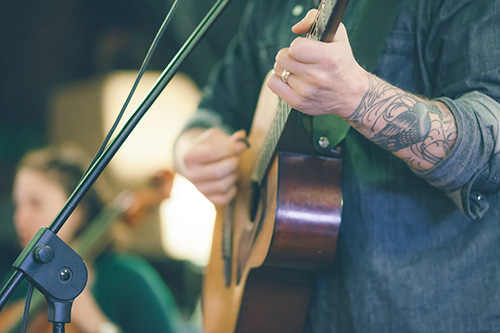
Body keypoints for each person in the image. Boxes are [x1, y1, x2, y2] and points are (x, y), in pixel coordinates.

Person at [173, 0, 500, 331]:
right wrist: (192, 152)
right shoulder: (268, 7)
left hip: (423, 312)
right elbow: (214, 111)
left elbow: (492, 150)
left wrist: (358, 97)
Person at [7, 144, 181, 332]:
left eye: (36, 203)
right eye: (18, 204)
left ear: (78, 210)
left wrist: (96, 323)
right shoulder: (20, 282)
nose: (20, 218)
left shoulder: (131, 281)